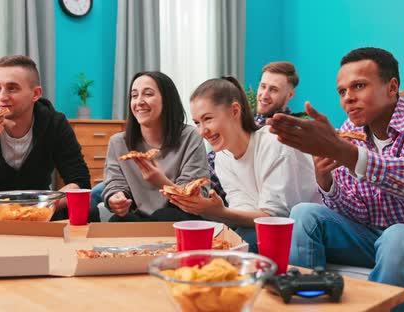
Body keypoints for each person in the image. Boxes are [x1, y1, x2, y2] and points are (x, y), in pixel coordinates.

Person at [266, 47, 404, 311]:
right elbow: (357, 211)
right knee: (304, 214)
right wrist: (326, 180)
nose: (348, 99)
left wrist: (350, 156)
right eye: (342, 91)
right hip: (375, 237)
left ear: (392, 88)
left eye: (359, 86)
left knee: (397, 236)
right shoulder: (349, 131)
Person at [163, 76, 322, 252]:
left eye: (208, 119)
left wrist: (219, 212)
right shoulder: (223, 158)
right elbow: (244, 214)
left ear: (234, 111)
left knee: (238, 243)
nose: (201, 132)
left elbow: (275, 218)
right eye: (197, 123)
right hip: (266, 227)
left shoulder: (275, 144)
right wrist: (208, 210)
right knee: (212, 241)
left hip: (309, 230)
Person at [0, 55, 97, 222]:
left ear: (36, 93)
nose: (1, 97)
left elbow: (80, 182)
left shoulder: (55, 124)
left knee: (88, 209)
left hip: (40, 211)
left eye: (12, 88)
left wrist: (37, 207)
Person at [101, 71, 209, 222]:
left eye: (148, 94)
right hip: (139, 216)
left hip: (180, 214)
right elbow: (114, 184)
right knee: (117, 221)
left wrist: (161, 181)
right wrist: (116, 198)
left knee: (166, 215)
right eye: (134, 95)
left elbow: (193, 195)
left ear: (167, 100)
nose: (139, 101)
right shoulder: (118, 142)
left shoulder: (191, 136)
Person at [208, 61, 300, 201]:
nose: (264, 95)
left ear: (290, 95)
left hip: (229, 200)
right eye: (263, 86)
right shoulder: (246, 120)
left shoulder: (285, 133)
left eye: (274, 90)